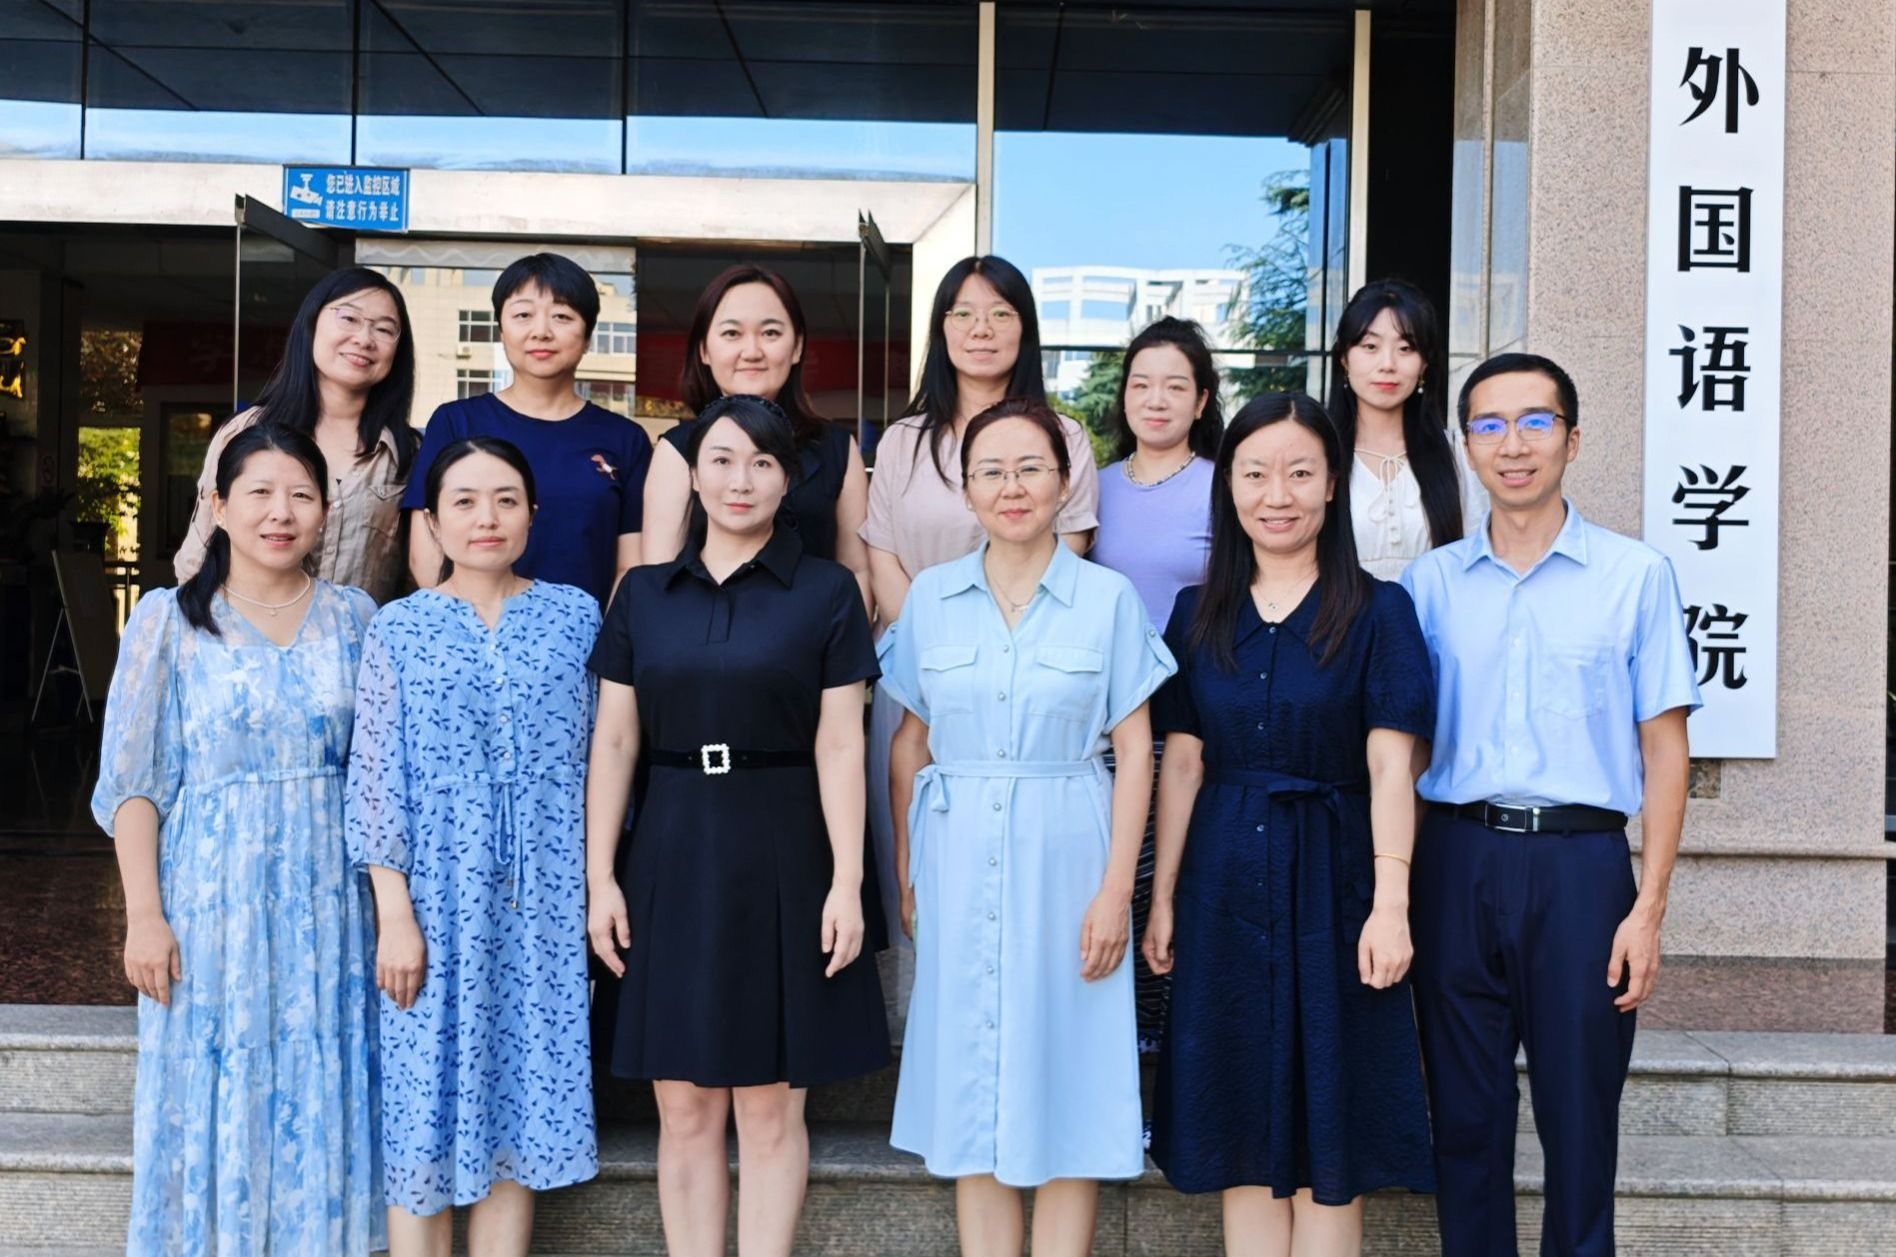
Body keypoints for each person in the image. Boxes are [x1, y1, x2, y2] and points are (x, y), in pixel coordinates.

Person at [1399, 353, 1700, 1257]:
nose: (1514, 444)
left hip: (1582, 870)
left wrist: (1648, 909)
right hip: (1455, 858)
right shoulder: (1429, 585)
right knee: (1465, 1120)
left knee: (1580, 1119)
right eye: (1489, 425)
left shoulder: (1635, 575)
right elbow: (1405, 751)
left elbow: (1666, 750)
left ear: (1573, 438)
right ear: (1465, 446)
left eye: (1536, 421)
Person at [585, 395, 888, 1256]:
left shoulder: (827, 590)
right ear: (692, 475)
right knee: (682, 1106)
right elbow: (614, 739)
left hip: (787, 847)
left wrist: (846, 880)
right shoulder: (645, 594)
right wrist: (600, 877)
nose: (739, 479)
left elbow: (841, 742)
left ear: (788, 479)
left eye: (761, 462)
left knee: (768, 1103)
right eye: (719, 459)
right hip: (671, 847)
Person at [1143, 393, 1436, 1255]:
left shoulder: (1380, 611)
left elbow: (1391, 767)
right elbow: (1183, 762)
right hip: (1222, 883)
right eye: (1256, 473)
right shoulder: (1196, 612)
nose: (1279, 494)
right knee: (1239, 1119)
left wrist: (1390, 904)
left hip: (1337, 881)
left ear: (1333, 484)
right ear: (1228, 486)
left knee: (1328, 1123)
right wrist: (1161, 899)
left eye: (1300, 472)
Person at [882, 399, 1175, 1257]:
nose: (1012, 487)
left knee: (1070, 1079)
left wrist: (1117, 890)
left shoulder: (1107, 598)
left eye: (1030, 468)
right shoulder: (932, 597)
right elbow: (909, 743)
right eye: (991, 471)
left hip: (1070, 854)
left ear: (1064, 481)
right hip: (957, 852)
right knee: (969, 1085)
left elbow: (1136, 748)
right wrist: (907, 869)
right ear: (967, 489)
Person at [93, 423, 382, 1255]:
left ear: (326, 511)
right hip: (211, 903)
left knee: (322, 1079)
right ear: (218, 506)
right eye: (259, 493)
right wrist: (144, 916)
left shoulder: (357, 618)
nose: (280, 512)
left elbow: (380, 773)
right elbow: (135, 783)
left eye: (301, 495)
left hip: (333, 904)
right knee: (213, 1079)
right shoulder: (168, 620)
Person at [347, 436, 599, 1256]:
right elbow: (376, 778)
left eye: (505, 499)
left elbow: (606, 757)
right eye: (463, 500)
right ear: (431, 519)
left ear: (533, 513)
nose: (486, 517)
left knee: (519, 1112)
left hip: (546, 898)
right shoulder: (398, 627)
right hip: (434, 898)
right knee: (422, 1107)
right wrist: (395, 914)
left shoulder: (577, 616)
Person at [860, 254, 1100, 943]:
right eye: (962, 313)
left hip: (1029, 675)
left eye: (1000, 312)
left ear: (1026, 330)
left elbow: (1069, 549)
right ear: (940, 329)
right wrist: (938, 646)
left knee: (1021, 883)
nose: (980, 328)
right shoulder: (903, 441)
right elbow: (882, 556)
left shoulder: (1065, 438)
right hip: (917, 671)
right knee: (918, 875)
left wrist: (991, 647)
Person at [1088, 315, 1221, 1052]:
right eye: (1142, 384)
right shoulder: (1093, 487)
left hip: (1190, 716)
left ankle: (1168, 1048)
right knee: (1116, 880)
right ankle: (1122, 1046)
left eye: (1175, 386)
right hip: (1101, 718)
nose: (1156, 400)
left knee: (1168, 881)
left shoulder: (1224, 485)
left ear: (1201, 401)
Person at [405, 252, 652, 607]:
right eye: (523, 315)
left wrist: (602, 638)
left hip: (588, 638)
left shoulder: (625, 439)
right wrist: (468, 628)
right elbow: (426, 552)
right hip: (470, 634)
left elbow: (630, 566)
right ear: (501, 331)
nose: (541, 332)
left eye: (562, 316)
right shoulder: (456, 423)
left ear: (587, 336)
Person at [175, 266, 418, 603]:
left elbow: (416, 582)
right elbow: (197, 560)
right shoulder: (247, 431)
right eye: (349, 318)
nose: (364, 339)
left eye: (384, 329)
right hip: (247, 632)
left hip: (363, 636)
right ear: (312, 323)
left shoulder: (409, 453)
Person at [640, 264, 871, 605]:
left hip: (817, 635)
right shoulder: (678, 450)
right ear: (704, 350)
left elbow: (857, 571)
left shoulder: (836, 448)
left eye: (770, 333)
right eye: (732, 334)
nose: (751, 352)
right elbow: (659, 576)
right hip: (701, 636)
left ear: (797, 347)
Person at [1326, 279, 1485, 580]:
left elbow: (1477, 556)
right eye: (1370, 347)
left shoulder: (1457, 453)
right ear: (1344, 358)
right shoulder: (1319, 454)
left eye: (1405, 348)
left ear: (1424, 364)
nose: (1387, 364)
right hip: (1340, 610)